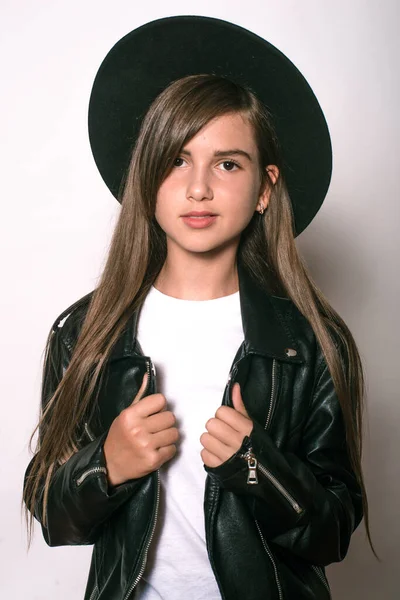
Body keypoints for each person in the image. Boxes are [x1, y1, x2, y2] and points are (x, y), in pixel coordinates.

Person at [23, 15, 377, 600]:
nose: (198, 188)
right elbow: (52, 514)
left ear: (265, 189)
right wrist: (105, 464)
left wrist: (259, 468)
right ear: (145, 179)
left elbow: (333, 532)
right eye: (176, 159)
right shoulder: (85, 333)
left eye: (227, 163)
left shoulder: (311, 340)